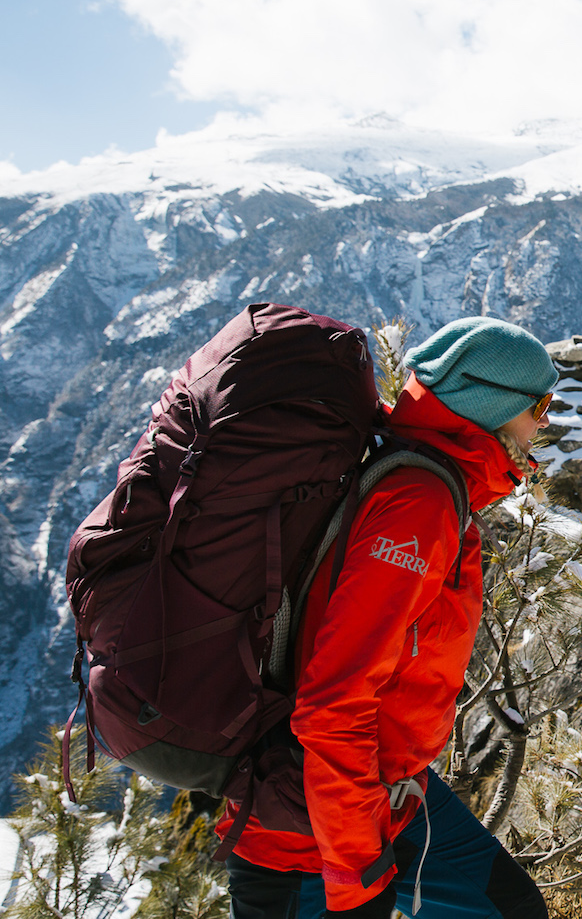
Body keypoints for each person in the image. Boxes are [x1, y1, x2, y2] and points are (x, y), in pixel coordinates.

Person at [221, 316, 559, 919]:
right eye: (540, 404)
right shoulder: (420, 503)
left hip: (386, 790)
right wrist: (356, 876)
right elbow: (334, 702)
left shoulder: (431, 480)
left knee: (509, 908)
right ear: (491, 403)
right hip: (308, 834)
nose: (545, 423)